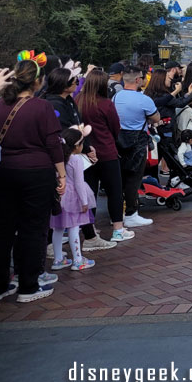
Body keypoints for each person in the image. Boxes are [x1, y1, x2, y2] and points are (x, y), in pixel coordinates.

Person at [0, 58, 65, 303]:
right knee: (33, 229)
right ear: (37, 81)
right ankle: (28, 285)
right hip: (36, 172)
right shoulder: (41, 107)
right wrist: (62, 174)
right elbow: (53, 143)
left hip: (2, 171)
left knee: (3, 229)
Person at [75, 68, 128, 245]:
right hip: (106, 151)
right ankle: (118, 230)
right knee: (114, 191)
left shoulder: (77, 101)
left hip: (85, 154)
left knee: (89, 192)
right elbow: (115, 127)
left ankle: (90, 230)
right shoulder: (106, 104)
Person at [113, 67, 161, 229]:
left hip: (119, 140)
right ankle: (131, 214)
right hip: (137, 140)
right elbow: (156, 117)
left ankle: (117, 214)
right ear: (137, 80)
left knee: (119, 178)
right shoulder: (144, 99)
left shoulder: (116, 97)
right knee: (134, 178)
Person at [50, 126, 97, 272]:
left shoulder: (57, 158)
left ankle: (58, 259)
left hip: (59, 195)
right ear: (76, 145)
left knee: (58, 228)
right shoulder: (76, 159)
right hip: (73, 197)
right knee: (74, 227)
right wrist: (84, 201)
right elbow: (78, 183)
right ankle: (77, 259)